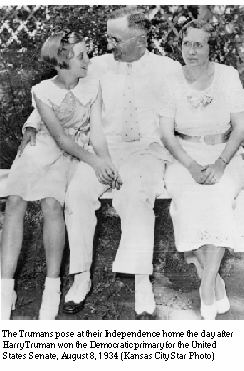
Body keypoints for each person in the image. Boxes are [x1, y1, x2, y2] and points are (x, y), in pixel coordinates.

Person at [19, 7, 181, 319]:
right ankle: (81, 278)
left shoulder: (167, 68)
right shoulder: (96, 68)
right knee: (77, 193)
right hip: (103, 149)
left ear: (139, 38)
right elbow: (59, 93)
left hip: (146, 151)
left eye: (115, 38)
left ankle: (141, 281)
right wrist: (30, 124)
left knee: (136, 196)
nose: (107, 44)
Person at [1, 31, 119, 320]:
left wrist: (103, 162)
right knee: (15, 201)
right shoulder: (42, 91)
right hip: (42, 148)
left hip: (70, 155)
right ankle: (5, 289)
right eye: (81, 56)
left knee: (52, 204)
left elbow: (96, 134)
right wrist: (30, 130)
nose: (87, 60)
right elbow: (56, 136)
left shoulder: (92, 86)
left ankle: (51, 288)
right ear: (63, 61)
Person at [158, 20, 244, 320]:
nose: (191, 50)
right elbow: (167, 135)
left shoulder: (227, 76)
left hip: (224, 155)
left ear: (212, 47)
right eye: (187, 43)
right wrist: (193, 166)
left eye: (199, 44)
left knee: (219, 198)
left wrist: (221, 163)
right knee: (187, 201)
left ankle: (206, 284)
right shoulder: (170, 80)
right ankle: (216, 282)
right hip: (184, 157)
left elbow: (240, 127)